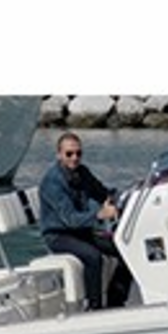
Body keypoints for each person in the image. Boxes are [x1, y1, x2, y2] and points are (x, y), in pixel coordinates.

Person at [39, 132, 133, 310]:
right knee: (93, 256)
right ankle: (93, 306)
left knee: (125, 249)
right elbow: (71, 219)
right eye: (69, 154)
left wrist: (124, 196)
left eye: (78, 153)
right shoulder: (52, 183)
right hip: (58, 235)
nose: (74, 158)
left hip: (81, 231)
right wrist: (99, 214)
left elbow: (102, 192)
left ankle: (116, 300)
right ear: (59, 155)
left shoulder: (82, 172)